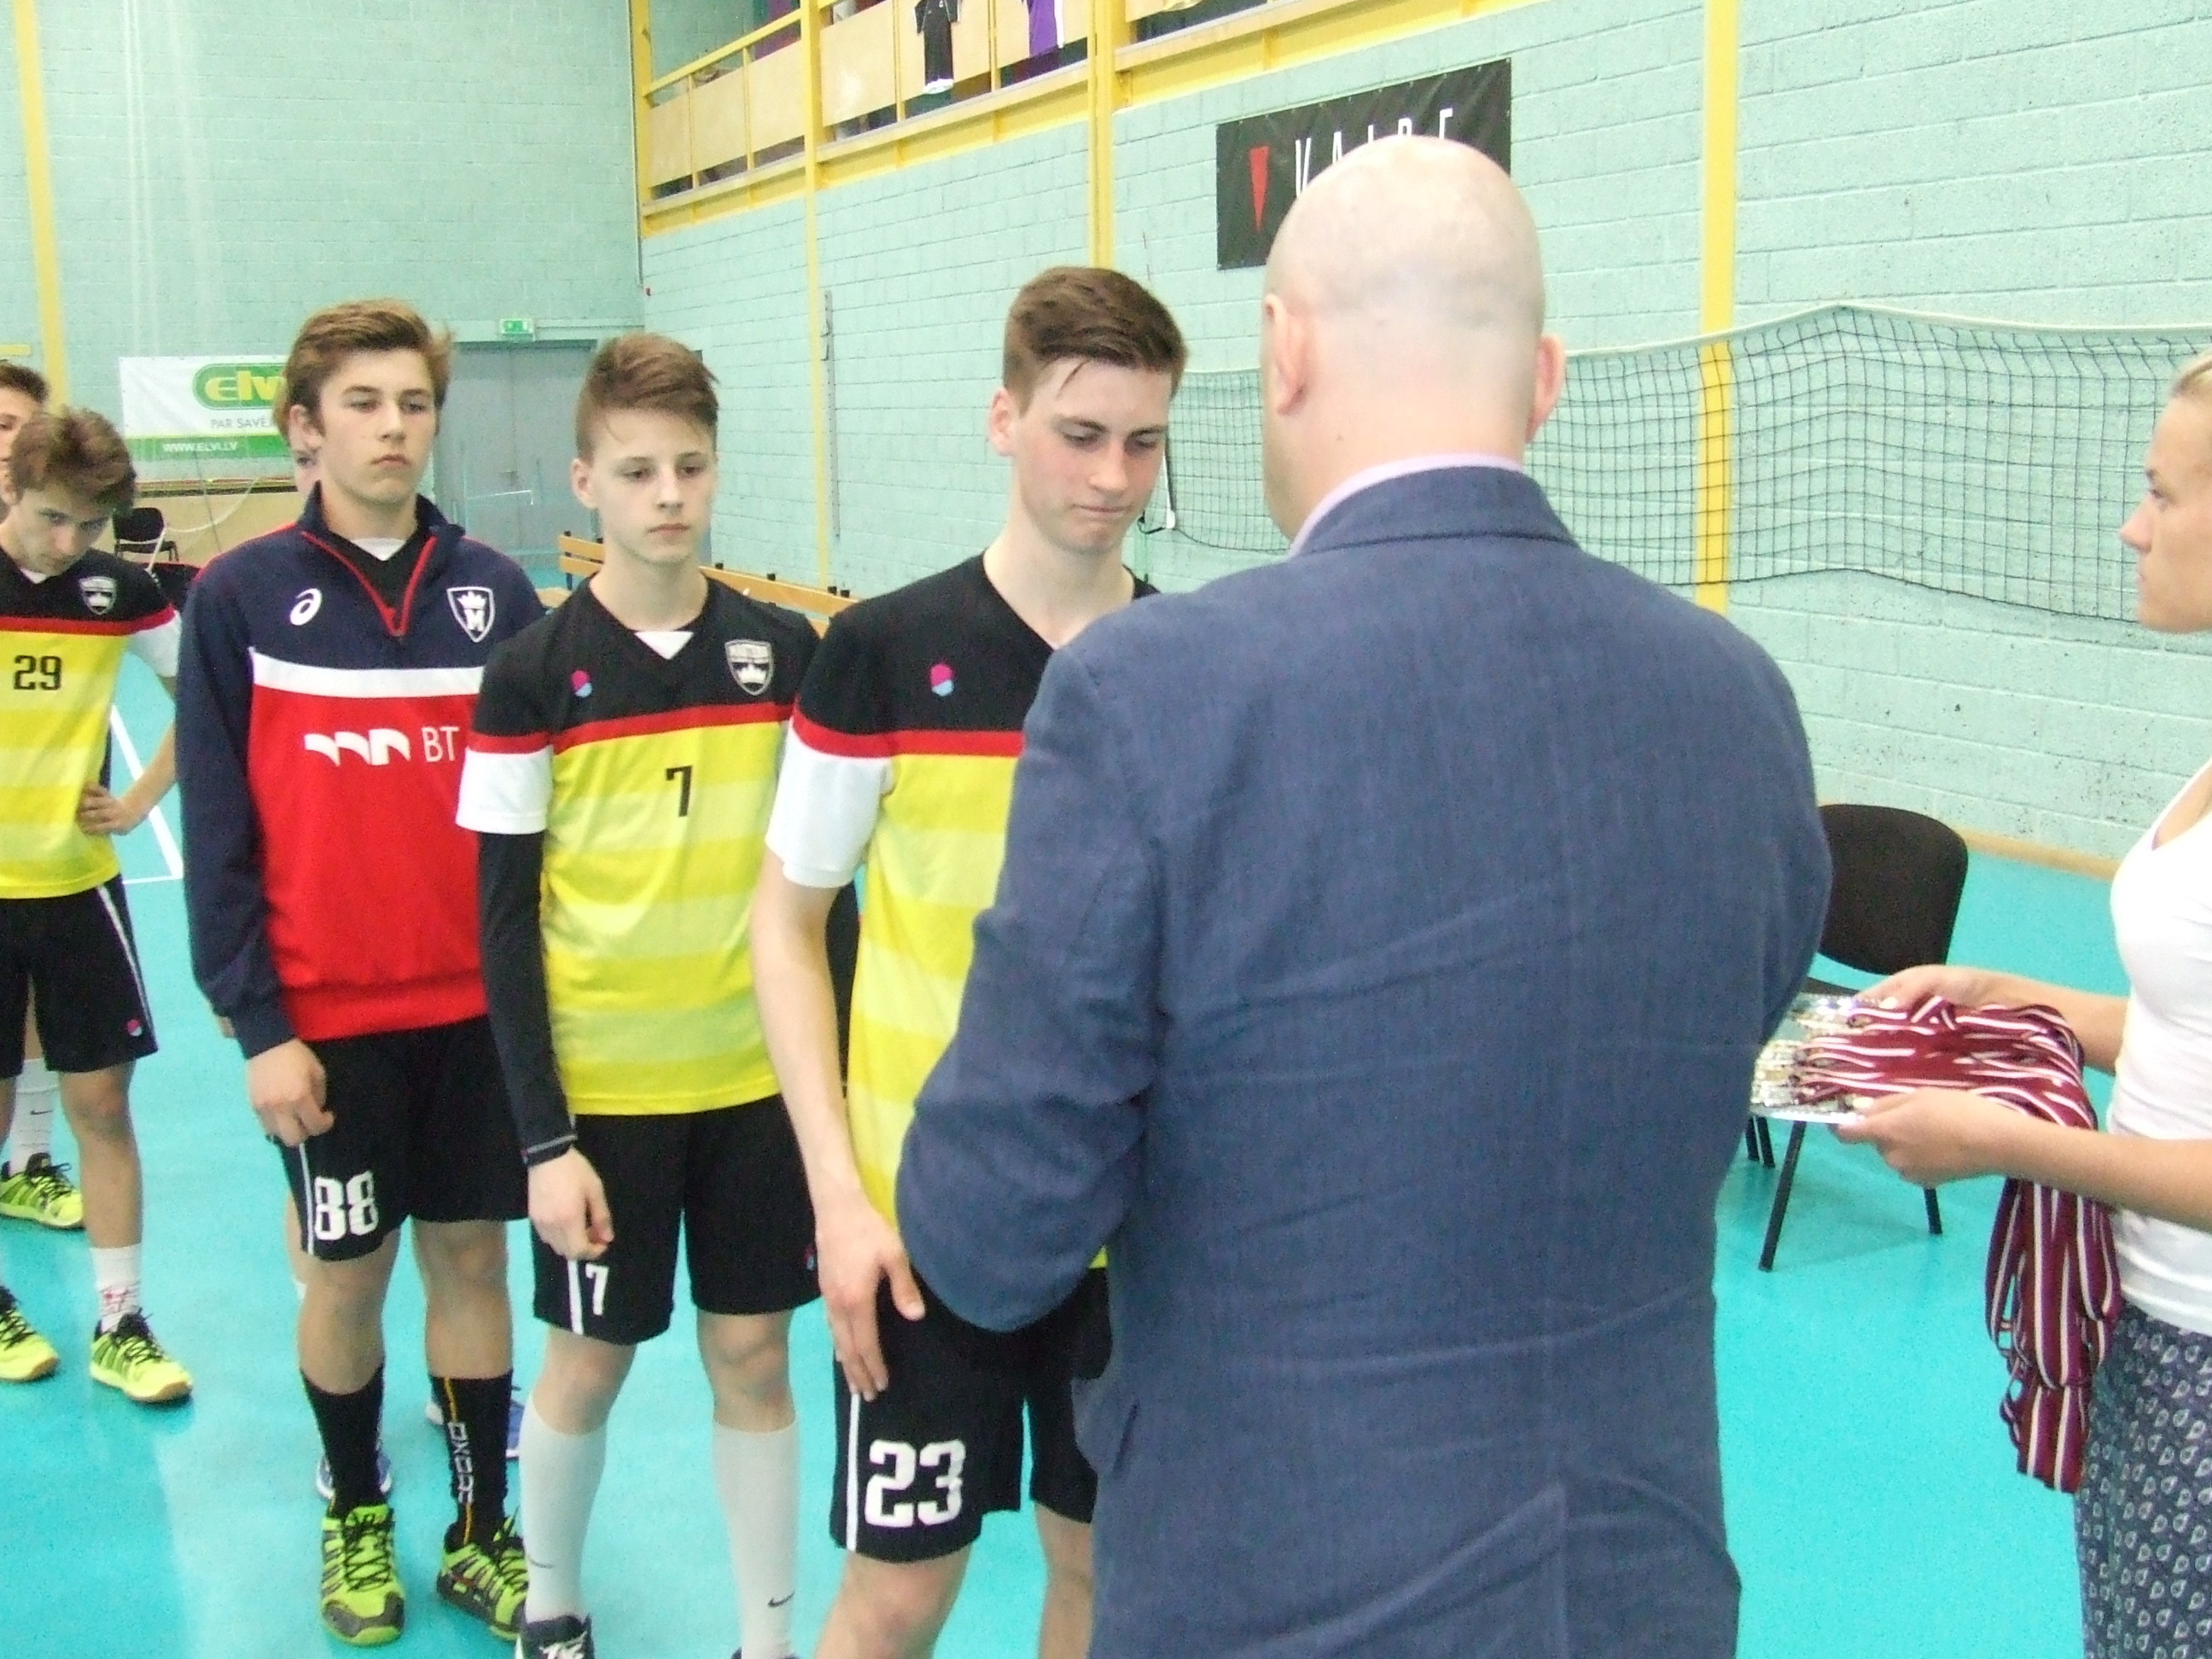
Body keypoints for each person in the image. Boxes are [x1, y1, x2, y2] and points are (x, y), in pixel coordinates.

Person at [894, 137, 1831, 1659]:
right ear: (1544, 380)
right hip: (1640, 1587)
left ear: (1284, 352)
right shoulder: (1738, 699)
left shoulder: (1151, 694)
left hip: (1276, 1588)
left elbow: (993, 1235)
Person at [751, 265, 1185, 1659]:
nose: (1111, 477)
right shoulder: (880, 652)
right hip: (917, 1229)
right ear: (1003, 420)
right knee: (895, 1598)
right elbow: (785, 924)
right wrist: (837, 1201)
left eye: (1143, 441)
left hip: (1124, 1238)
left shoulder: (1186, 663)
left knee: (1101, 1573)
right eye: (1079, 433)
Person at [176, 299, 542, 1646]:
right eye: (365, 404)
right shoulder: (241, 597)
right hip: (325, 1029)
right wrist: (258, 1023)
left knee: (472, 1264)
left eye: (414, 404)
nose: (395, 429)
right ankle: (354, 1511)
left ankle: (484, 1533)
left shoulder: (495, 592)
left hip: (479, 1017)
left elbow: (535, 821)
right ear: (305, 428)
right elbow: (220, 825)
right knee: (348, 1275)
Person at [1838, 349, 2212, 1657]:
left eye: (2163, 494)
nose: (2131, 528)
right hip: (2150, 1311)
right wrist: (2009, 995)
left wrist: (2004, 1141)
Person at [457, 334, 822, 1659]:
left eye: (690, 466)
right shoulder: (530, 673)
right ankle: (551, 1605)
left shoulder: (784, 655)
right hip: (604, 1108)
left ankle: (765, 1638)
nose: (668, 494)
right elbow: (504, 925)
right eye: (637, 471)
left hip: (754, 1093)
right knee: (589, 1365)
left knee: (755, 1362)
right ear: (585, 484)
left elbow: (820, 889)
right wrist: (542, 1141)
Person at [0, 407, 189, 1400]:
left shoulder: (120, 592)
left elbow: (207, 696)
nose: (68, 541)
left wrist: (143, 798)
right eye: (51, 518)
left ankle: (122, 1322)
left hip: (80, 890)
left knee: (103, 1107)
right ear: (11, 491)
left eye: (88, 524)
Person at [0, 358, 81, 1234]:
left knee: (34, 1011)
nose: (8, 440)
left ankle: (29, 1161)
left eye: (19, 424)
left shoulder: (70, 567)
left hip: (49, 848)